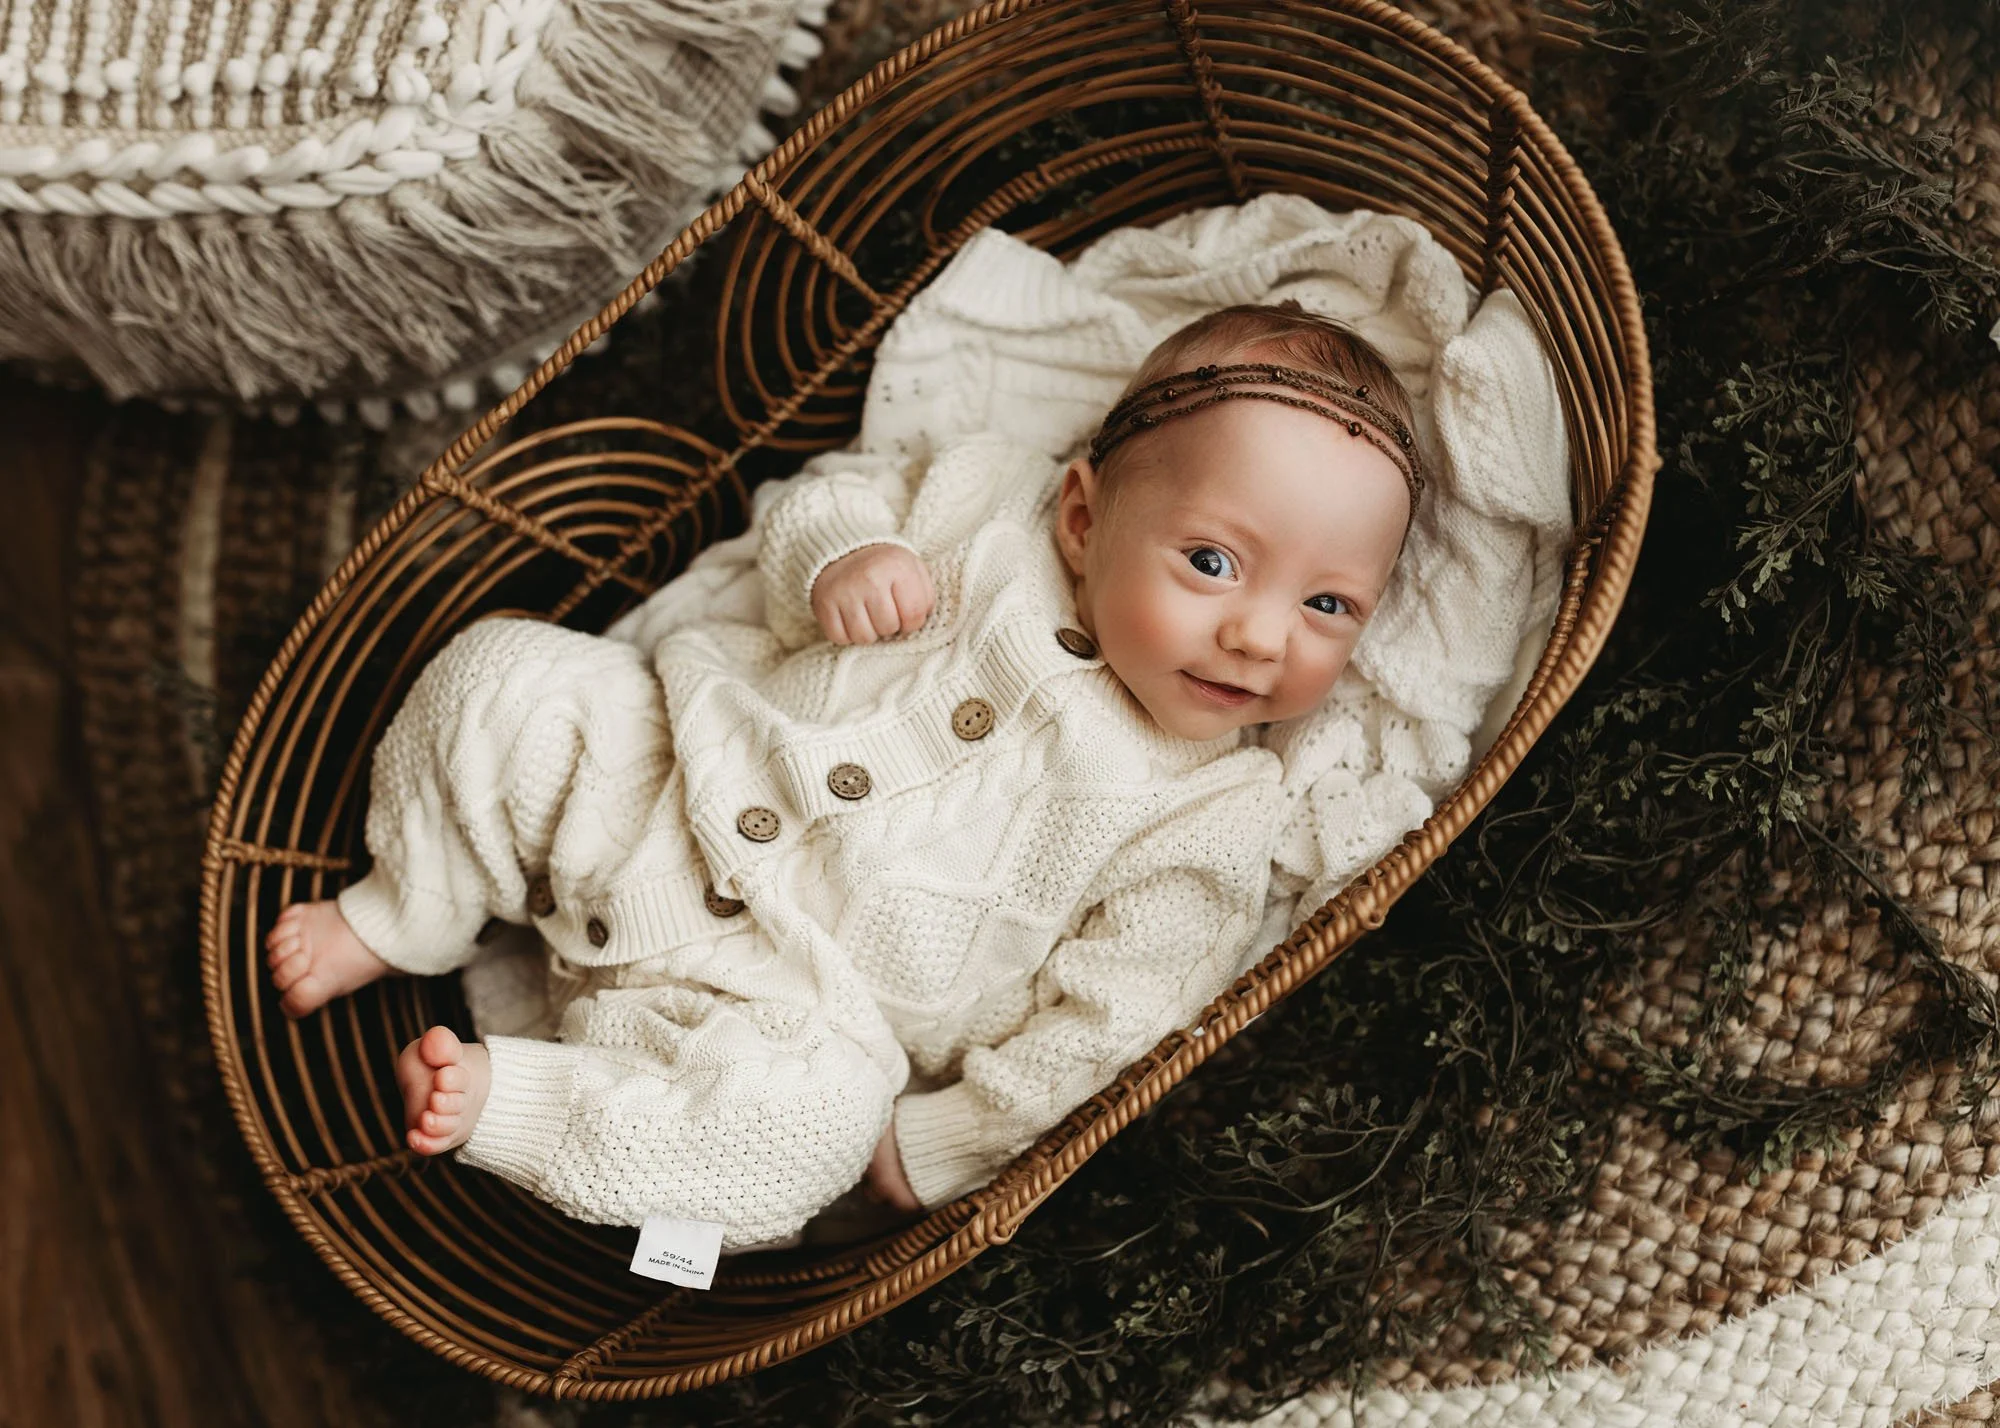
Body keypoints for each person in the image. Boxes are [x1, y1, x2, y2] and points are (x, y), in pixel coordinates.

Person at [262, 301, 1423, 1247]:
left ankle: (523, 1104)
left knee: (803, 1137)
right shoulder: (987, 503)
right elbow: (819, 498)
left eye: (1328, 605)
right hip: (663, 780)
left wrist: (947, 1139)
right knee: (502, 677)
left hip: (795, 1002)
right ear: (1082, 515)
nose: (1260, 637)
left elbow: (1114, 1021)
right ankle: (404, 909)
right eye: (1212, 561)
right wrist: (840, 558)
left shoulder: (1214, 810)